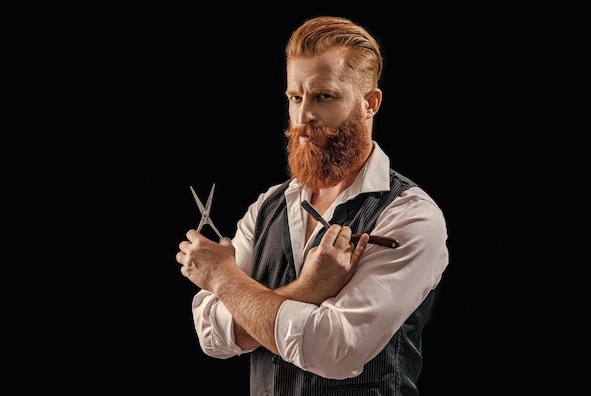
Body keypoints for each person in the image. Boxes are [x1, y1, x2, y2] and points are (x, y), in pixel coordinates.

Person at [176, 15, 449, 395]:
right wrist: (308, 290)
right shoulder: (268, 206)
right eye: (295, 97)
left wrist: (222, 279)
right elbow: (212, 336)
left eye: (324, 96)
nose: (304, 116)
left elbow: (333, 349)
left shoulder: (412, 216)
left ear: (369, 103)